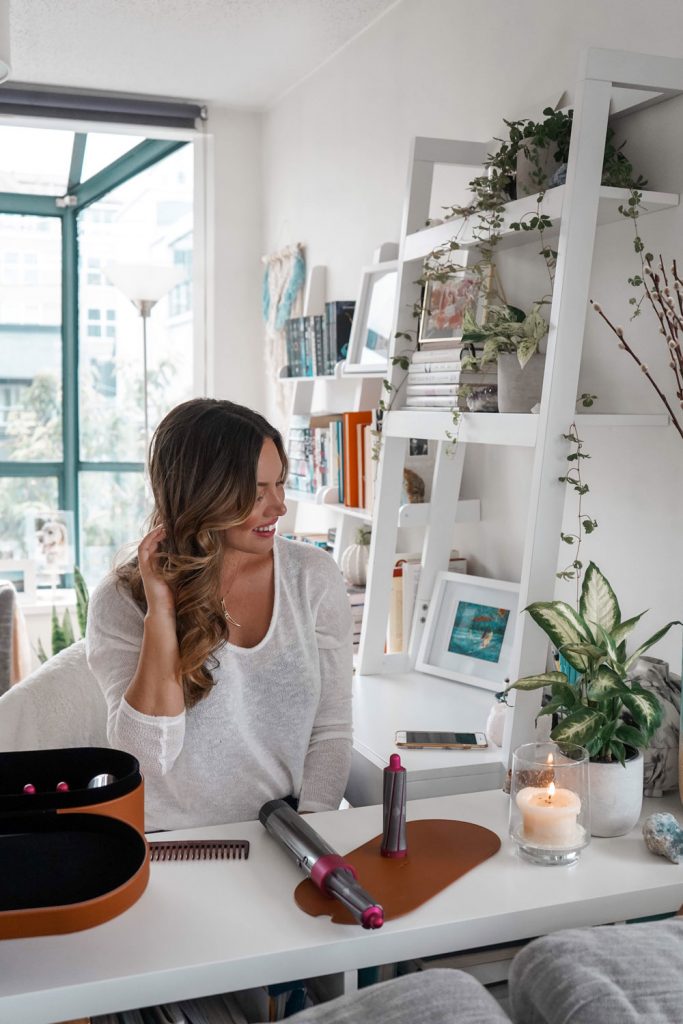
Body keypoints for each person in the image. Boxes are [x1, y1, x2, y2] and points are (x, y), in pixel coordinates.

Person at [85, 398, 353, 832]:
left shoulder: (313, 578)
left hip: (282, 832)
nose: (279, 506)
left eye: (280, 484)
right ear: (203, 493)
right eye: (257, 491)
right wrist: (162, 613)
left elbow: (332, 729)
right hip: (170, 844)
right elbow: (148, 758)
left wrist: (313, 834)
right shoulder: (122, 599)